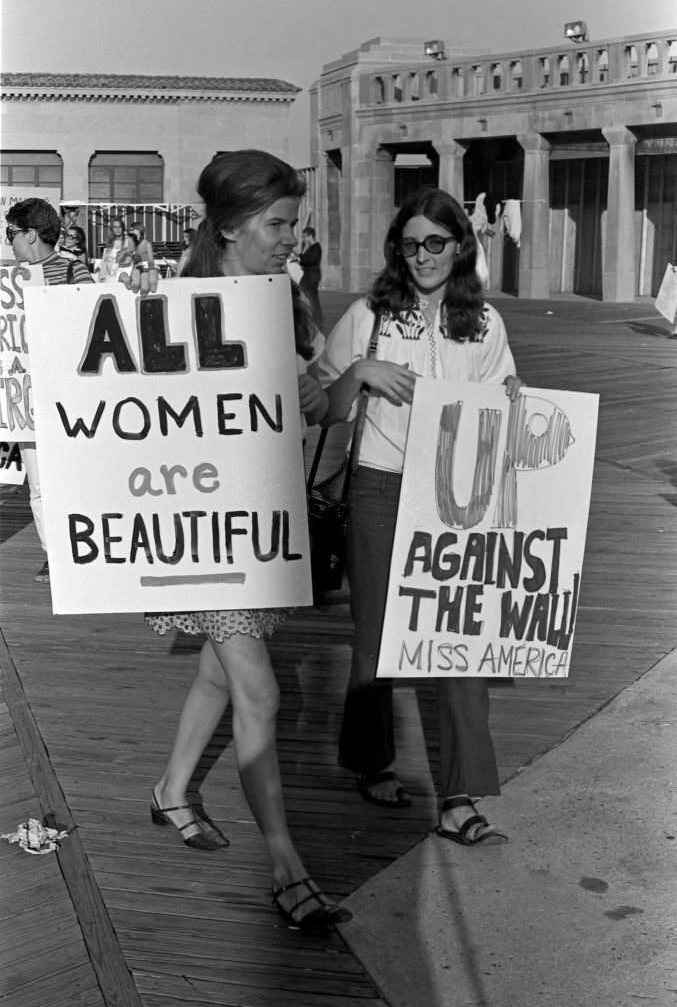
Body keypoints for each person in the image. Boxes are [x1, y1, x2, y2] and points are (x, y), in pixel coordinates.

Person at [143, 150, 351, 933]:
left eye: (294, 223)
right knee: (259, 690)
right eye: (278, 224)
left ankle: (170, 790)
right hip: (204, 534)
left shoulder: (281, 300)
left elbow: (313, 411)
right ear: (230, 226)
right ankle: (286, 867)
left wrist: (338, 378)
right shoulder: (177, 304)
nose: (291, 238)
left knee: (218, 679)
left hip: (259, 528)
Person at [317, 187, 520, 844]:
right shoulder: (368, 317)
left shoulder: (485, 324)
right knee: (376, 638)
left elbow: (505, 406)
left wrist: (515, 401)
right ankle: (370, 760)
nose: (422, 255)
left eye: (435, 242)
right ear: (396, 250)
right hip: (378, 488)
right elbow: (323, 405)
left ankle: (459, 796)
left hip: (457, 497)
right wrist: (361, 372)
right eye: (410, 244)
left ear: (460, 246)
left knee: (461, 644)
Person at [5, 198, 93, 582]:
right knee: (39, 485)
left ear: (30, 234)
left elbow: (91, 319)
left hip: (67, 393)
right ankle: (54, 554)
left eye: (11, 234)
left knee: (75, 477)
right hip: (25, 394)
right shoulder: (9, 280)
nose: (9, 243)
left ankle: (83, 549)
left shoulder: (74, 268)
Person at [298, 226, 323, 328]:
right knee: (312, 297)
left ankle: (316, 319)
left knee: (311, 297)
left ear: (310, 236)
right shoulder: (312, 248)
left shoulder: (316, 247)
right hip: (309, 274)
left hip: (312, 275)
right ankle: (316, 319)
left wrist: (300, 258)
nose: (304, 239)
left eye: (305, 237)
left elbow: (310, 260)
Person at [96, 215, 134, 281]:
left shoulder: (128, 240)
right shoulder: (110, 242)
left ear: (123, 228)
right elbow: (105, 261)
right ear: (112, 229)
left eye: (120, 227)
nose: (118, 230)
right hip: (110, 274)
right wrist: (102, 276)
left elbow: (130, 260)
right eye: (115, 227)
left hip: (123, 272)